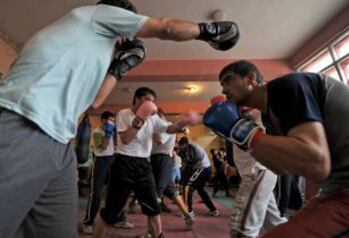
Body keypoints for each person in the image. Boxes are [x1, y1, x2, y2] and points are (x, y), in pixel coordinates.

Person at [0, 0, 239, 236]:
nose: (123, 40)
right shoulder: (94, 15)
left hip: (60, 144)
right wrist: (208, 31)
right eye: (124, 32)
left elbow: (94, 101)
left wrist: (119, 68)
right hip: (22, 120)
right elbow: (165, 26)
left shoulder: (90, 49)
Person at [203, 60, 349, 237]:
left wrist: (243, 132)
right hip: (335, 190)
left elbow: (316, 164)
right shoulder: (269, 116)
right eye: (222, 85)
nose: (224, 90)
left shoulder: (288, 86)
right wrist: (239, 136)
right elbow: (281, 168)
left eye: (229, 81)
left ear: (251, 78)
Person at [95, 87, 201, 238]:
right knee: (110, 212)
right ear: (137, 99)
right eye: (147, 101)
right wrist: (140, 119)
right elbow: (125, 139)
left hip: (144, 165)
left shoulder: (153, 118)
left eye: (152, 102)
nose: (150, 105)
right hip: (124, 163)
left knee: (154, 208)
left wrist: (182, 122)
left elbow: (168, 129)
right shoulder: (124, 113)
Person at [223, 107, 287, 237]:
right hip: (255, 174)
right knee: (274, 224)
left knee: (241, 229)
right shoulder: (236, 122)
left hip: (258, 171)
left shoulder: (263, 118)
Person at [82, 111, 133, 234]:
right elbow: (103, 146)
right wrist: (108, 133)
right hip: (101, 162)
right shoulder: (97, 132)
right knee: (96, 194)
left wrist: (115, 132)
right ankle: (88, 222)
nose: (112, 123)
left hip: (113, 160)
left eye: (113, 121)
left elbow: (118, 145)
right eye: (109, 120)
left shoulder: (115, 131)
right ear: (103, 120)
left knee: (116, 193)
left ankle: (118, 219)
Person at [150, 109, 194, 230]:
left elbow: (159, 140)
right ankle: (188, 216)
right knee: (172, 191)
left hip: (163, 159)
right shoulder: (164, 126)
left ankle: (152, 231)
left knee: (155, 194)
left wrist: (150, 131)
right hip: (156, 159)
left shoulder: (166, 126)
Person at [178, 137, 220, 218]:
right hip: (206, 169)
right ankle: (214, 210)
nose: (180, 148)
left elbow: (191, 163)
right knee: (201, 190)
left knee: (187, 187)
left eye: (180, 146)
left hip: (203, 168)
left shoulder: (191, 147)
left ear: (184, 144)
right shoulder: (188, 148)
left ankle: (188, 212)